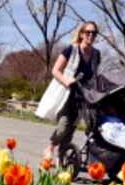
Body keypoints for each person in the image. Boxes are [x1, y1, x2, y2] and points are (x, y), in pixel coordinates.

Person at [42, 22, 102, 162]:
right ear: (81, 34)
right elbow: (55, 70)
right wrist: (66, 80)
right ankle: (50, 147)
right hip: (66, 92)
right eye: (88, 32)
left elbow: (95, 75)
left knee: (71, 129)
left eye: (94, 33)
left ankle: (61, 158)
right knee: (63, 125)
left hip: (83, 95)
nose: (91, 35)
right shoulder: (71, 49)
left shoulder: (96, 54)